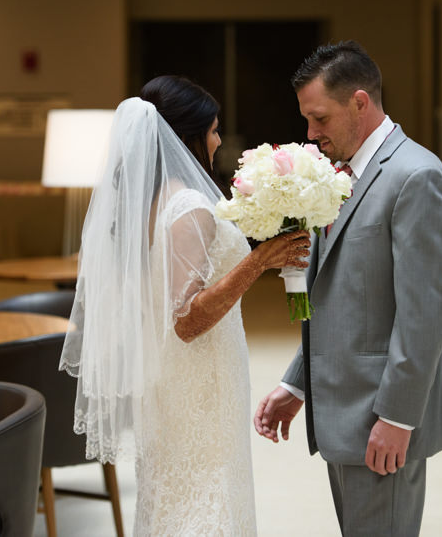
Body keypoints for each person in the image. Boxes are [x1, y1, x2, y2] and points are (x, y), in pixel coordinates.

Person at [60, 75, 311, 536]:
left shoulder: (151, 203)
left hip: (179, 375)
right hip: (199, 378)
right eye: (213, 130)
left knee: (181, 492)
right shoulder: (189, 207)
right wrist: (259, 261)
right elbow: (187, 320)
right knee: (203, 495)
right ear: (188, 136)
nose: (218, 140)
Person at [254, 41, 442, 536]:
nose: (310, 135)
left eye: (320, 119)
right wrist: (297, 383)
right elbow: (341, 299)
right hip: (344, 406)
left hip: (381, 412)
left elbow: (425, 314)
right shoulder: (344, 173)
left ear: (359, 102)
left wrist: (398, 417)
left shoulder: (416, 177)